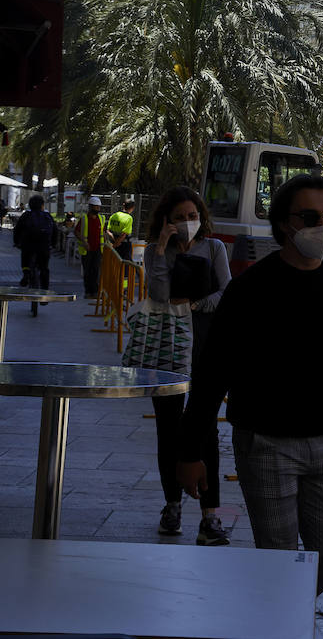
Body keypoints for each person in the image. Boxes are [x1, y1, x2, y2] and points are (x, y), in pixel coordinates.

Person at [178, 174, 323, 594]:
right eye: (310, 216)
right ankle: (278, 617)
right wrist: (189, 452)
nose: (322, 225)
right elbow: (212, 374)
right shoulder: (249, 289)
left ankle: (275, 608)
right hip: (267, 443)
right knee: (276, 556)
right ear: (284, 224)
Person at [143, 186, 232, 546]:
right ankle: (172, 505)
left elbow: (226, 292)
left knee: (205, 430)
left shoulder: (214, 248)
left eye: (192, 216)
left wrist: (193, 307)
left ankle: (210, 516)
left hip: (205, 349)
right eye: (179, 217)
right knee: (168, 429)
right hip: (166, 350)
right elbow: (159, 295)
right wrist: (163, 248)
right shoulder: (154, 251)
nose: (186, 222)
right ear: (166, 220)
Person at [12, 194, 55, 315]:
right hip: (44, 247)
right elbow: (55, 231)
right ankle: (45, 293)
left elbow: (17, 230)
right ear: (42, 205)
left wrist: (16, 242)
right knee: (44, 268)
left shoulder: (26, 215)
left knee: (25, 259)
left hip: (28, 245)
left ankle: (26, 273)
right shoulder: (47, 216)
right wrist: (53, 245)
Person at [80, 196, 106, 296]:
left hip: (98, 250)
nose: (97, 209)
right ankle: (88, 291)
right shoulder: (84, 219)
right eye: (95, 207)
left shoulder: (101, 219)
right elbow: (77, 232)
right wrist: (84, 242)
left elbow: (103, 232)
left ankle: (95, 291)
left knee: (95, 270)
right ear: (90, 207)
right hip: (87, 250)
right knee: (87, 271)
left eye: (98, 207)